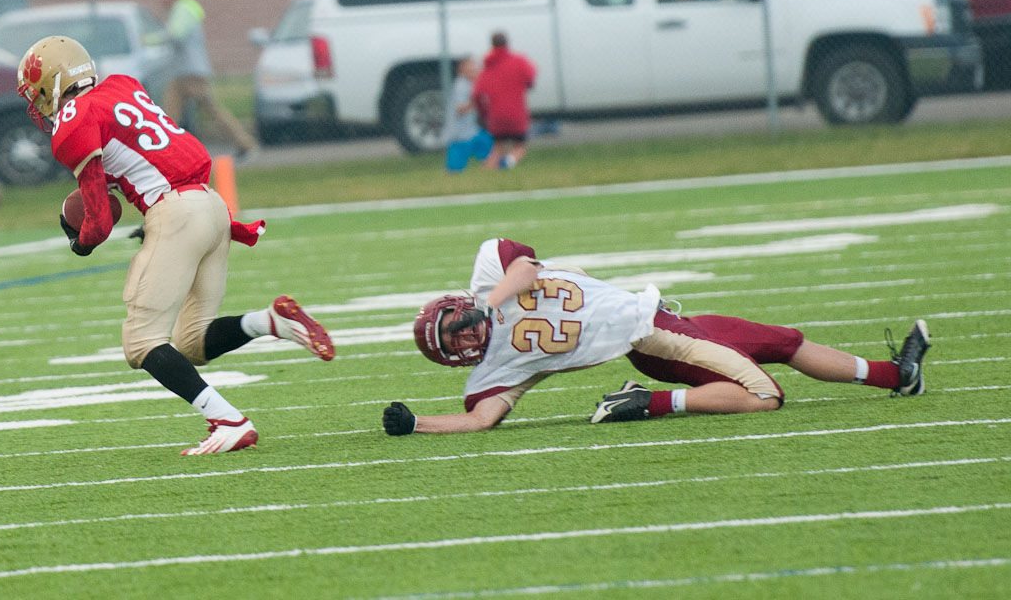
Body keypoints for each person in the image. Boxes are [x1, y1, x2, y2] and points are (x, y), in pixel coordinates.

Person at [17, 35, 335, 455]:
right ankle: (271, 321)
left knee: (141, 341)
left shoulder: (73, 120)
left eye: (37, 95)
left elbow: (96, 220)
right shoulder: (122, 86)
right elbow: (151, 161)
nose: (38, 106)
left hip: (178, 213)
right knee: (191, 343)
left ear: (53, 85)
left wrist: (79, 240)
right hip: (211, 206)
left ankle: (228, 420)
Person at [381, 238, 931, 436]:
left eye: (456, 323)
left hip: (662, 318)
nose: (464, 335)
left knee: (782, 341)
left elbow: (524, 268)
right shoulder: (497, 366)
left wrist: (490, 303)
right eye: (452, 343)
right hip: (652, 339)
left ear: (460, 302)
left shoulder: (489, 275)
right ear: (455, 361)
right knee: (766, 395)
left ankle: (898, 377)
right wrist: (415, 424)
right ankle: (647, 404)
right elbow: (480, 418)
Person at [159, 0, 258, 158]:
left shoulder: (182, 9)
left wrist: (153, 39)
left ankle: (245, 143)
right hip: (182, 72)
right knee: (168, 114)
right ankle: (165, 152)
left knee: (212, 110)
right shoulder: (185, 8)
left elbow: (176, 34)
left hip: (191, 73)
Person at [472, 32, 536, 170]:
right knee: (519, 147)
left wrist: (483, 112)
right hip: (516, 114)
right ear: (507, 43)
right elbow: (531, 76)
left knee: (497, 148)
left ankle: (488, 169)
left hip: (496, 116)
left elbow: (477, 93)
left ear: (492, 45)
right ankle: (508, 162)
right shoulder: (519, 61)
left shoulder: (488, 66)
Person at [445, 58, 493, 173]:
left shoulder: (472, 84)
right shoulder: (461, 85)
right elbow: (460, 109)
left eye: (475, 67)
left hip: (472, 132)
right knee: (454, 170)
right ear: (462, 70)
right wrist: (475, 102)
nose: (475, 70)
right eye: (470, 68)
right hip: (459, 135)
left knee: (490, 150)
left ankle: (492, 167)